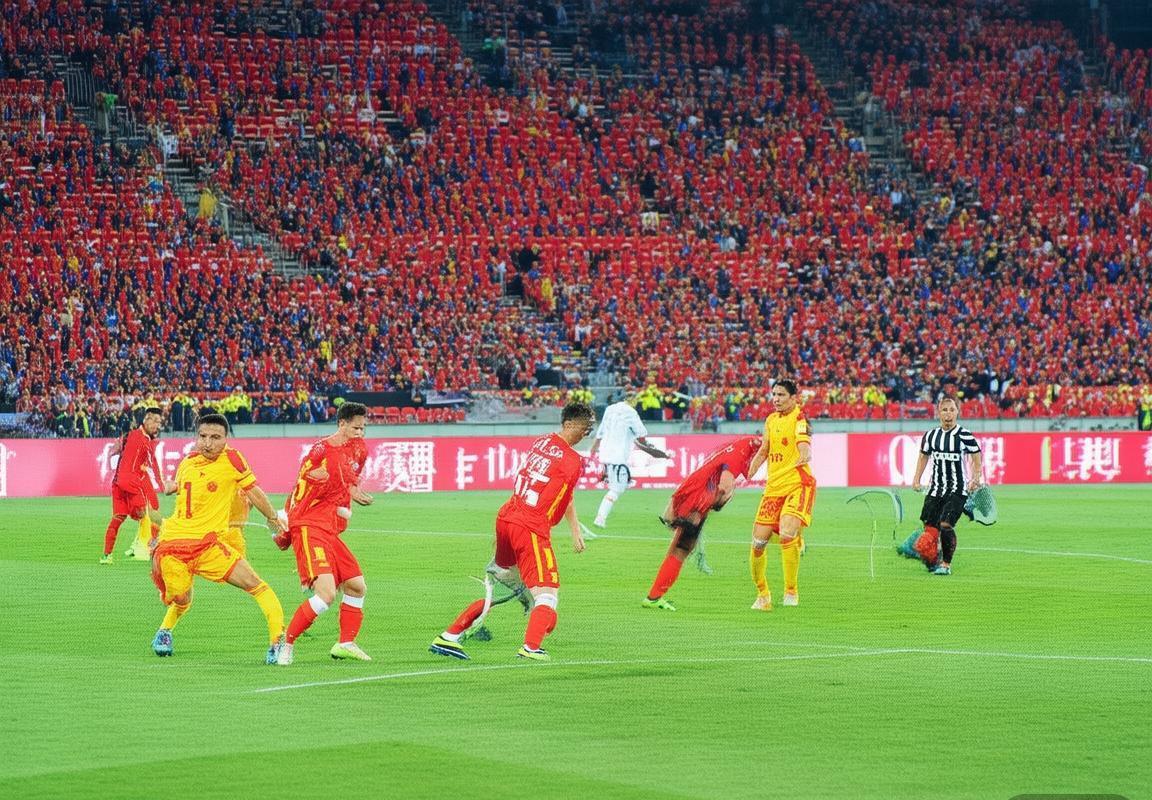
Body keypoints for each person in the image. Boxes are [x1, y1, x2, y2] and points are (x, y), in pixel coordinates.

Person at [429, 401, 595, 662]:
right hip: (530, 526)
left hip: (507, 517)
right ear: (568, 424)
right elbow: (563, 500)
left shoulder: (542, 442)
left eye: (589, 429)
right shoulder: (573, 461)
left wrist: (575, 531)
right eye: (584, 428)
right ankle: (531, 648)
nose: (586, 433)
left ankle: (449, 636)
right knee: (548, 594)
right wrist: (565, 530)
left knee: (507, 585)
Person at [149, 413, 288, 662]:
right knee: (181, 598)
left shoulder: (232, 459)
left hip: (208, 546)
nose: (208, 443)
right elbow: (189, 490)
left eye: (215, 437)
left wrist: (272, 518)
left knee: (256, 584)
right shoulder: (187, 462)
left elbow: (253, 491)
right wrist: (170, 486)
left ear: (226, 439)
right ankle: (164, 631)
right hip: (173, 545)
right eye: (203, 436)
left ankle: (277, 643)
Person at [274, 402, 374, 666]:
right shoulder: (321, 450)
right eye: (355, 428)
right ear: (341, 424)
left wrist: (353, 494)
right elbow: (301, 486)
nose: (360, 433)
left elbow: (350, 480)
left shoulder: (360, 450)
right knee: (326, 594)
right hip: (308, 526)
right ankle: (286, 644)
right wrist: (287, 528)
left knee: (357, 586)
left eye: (363, 428)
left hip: (330, 529)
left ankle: (345, 644)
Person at [642, 435, 762, 611]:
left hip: (690, 494)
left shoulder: (735, 447)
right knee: (681, 549)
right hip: (698, 501)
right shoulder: (741, 454)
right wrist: (720, 502)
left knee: (679, 547)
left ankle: (654, 595)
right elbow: (724, 486)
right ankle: (653, 597)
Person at [748, 379, 816, 610]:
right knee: (758, 543)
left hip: (797, 483)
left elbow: (803, 443)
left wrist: (804, 453)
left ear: (793, 398)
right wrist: (751, 468)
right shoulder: (770, 420)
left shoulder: (799, 418)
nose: (776, 399)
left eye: (781, 395)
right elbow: (764, 449)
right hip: (773, 488)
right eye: (774, 394)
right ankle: (763, 595)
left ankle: (791, 591)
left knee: (787, 533)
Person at [911, 396, 983, 575]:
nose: (948, 414)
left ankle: (946, 564)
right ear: (939, 413)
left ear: (958, 412)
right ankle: (933, 559)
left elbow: (976, 456)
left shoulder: (964, 435)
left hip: (957, 490)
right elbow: (923, 456)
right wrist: (916, 478)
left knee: (945, 524)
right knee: (929, 528)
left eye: (952, 410)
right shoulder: (931, 436)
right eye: (945, 410)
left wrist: (976, 477)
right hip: (935, 490)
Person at [588, 393, 671, 528]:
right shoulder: (631, 413)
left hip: (605, 455)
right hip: (618, 457)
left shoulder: (609, 409)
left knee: (616, 487)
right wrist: (660, 453)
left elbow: (600, 432)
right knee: (616, 490)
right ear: (633, 402)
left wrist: (592, 451)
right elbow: (642, 436)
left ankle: (601, 518)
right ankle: (600, 519)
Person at [101, 407, 170, 564]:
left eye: (160, 423)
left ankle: (107, 556)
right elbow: (153, 462)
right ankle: (145, 548)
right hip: (133, 481)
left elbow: (115, 450)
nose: (158, 426)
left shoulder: (129, 435)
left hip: (118, 482)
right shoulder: (144, 440)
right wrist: (162, 484)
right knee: (148, 512)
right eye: (156, 422)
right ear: (147, 420)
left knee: (119, 517)